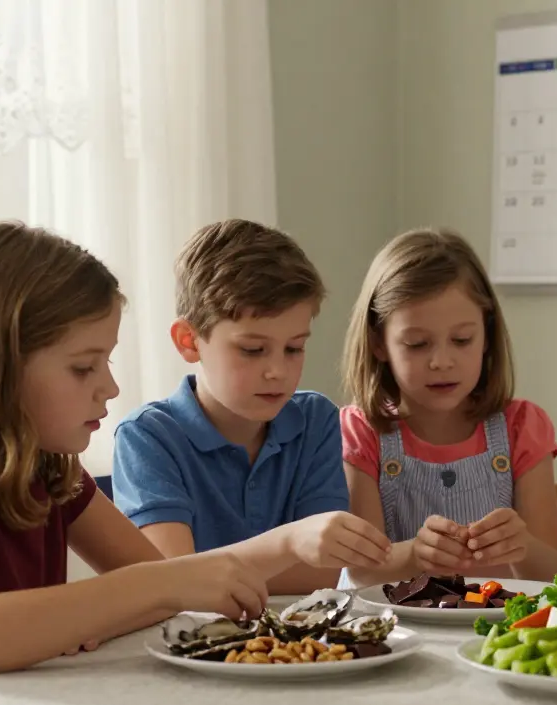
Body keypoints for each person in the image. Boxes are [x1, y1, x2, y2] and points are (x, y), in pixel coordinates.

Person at [0, 221, 373, 705]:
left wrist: (102, 609)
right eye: (84, 366)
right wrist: (132, 596)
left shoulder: (50, 471)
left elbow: (162, 585)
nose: (109, 387)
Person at [112, 219, 390, 594]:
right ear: (189, 340)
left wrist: (206, 569)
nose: (277, 371)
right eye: (253, 350)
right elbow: (176, 582)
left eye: (294, 348)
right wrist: (290, 544)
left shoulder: (315, 420)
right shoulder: (147, 436)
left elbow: (323, 574)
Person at [339, 228, 557, 586]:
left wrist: (521, 545)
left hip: (495, 633)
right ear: (378, 343)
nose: (441, 361)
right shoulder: (362, 432)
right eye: (417, 344)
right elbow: (362, 571)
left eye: (462, 340)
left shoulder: (522, 426)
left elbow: (552, 573)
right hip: (396, 635)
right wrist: (414, 554)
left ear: (487, 335)